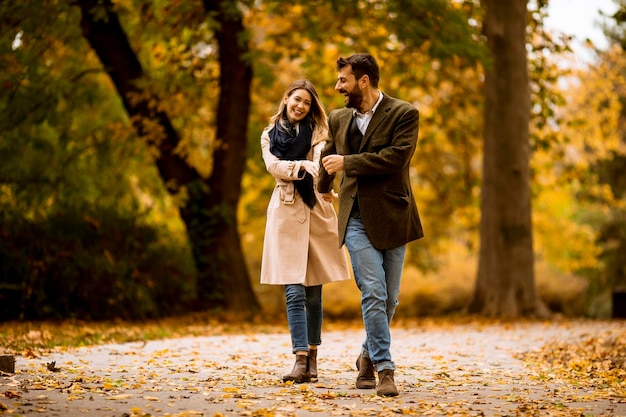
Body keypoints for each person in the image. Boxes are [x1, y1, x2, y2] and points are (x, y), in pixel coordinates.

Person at [318, 53, 423, 397]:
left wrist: (348, 162)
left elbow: (397, 157)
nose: (338, 87)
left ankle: (365, 356)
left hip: (393, 215)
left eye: (343, 80)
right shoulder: (338, 117)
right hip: (354, 218)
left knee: (390, 300)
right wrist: (320, 190)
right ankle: (385, 369)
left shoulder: (404, 113)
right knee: (374, 292)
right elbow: (328, 158)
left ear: (363, 80)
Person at [260, 79, 351, 384]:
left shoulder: (321, 133)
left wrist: (321, 178)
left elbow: (321, 164)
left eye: (307, 103)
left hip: (315, 209)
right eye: (296, 99)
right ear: (286, 99)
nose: (300, 106)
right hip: (285, 211)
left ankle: (313, 358)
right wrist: (300, 166)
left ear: (312, 108)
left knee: (313, 291)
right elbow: (273, 166)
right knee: (293, 287)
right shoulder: (269, 134)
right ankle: (299, 358)